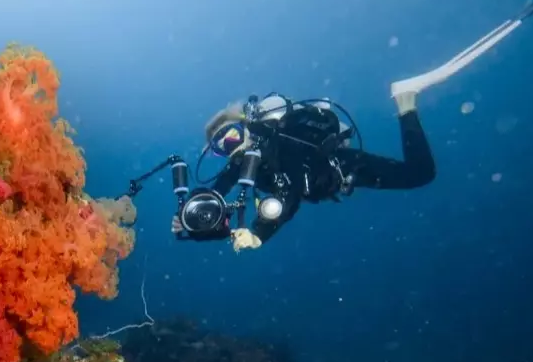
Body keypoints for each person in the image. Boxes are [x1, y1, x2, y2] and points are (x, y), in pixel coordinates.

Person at [170, 90, 436, 251]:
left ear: (247, 128)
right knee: (418, 175)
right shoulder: (238, 164)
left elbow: (292, 192)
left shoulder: (277, 143)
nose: (231, 147)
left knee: (420, 173)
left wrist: (259, 235)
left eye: (231, 136)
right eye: (221, 147)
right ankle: (405, 105)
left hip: (340, 166)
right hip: (326, 183)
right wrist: (190, 221)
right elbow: (212, 199)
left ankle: (406, 105)